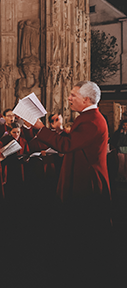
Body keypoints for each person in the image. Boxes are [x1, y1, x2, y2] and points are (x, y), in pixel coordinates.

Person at [28, 81, 111, 231]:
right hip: (82, 177)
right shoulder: (88, 117)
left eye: (73, 95)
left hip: (86, 182)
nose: (68, 98)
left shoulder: (92, 120)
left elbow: (67, 145)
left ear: (86, 99)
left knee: (85, 226)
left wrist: (41, 129)